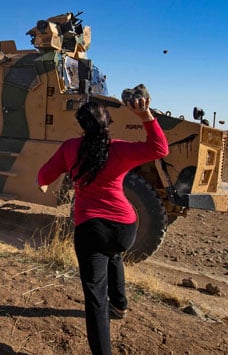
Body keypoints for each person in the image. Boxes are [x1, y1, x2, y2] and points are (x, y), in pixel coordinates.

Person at [37, 94, 168, 355]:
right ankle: (119, 305)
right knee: (114, 253)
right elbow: (159, 148)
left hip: (90, 228)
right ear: (108, 122)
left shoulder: (70, 148)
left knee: (96, 297)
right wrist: (145, 115)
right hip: (124, 229)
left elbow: (44, 174)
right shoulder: (119, 149)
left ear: (82, 125)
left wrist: (42, 184)